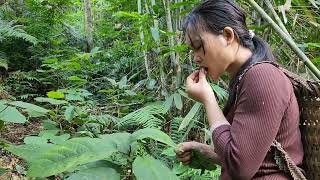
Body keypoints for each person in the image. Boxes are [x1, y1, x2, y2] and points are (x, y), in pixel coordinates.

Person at [174, 0, 304, 179]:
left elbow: (240, 168)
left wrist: (208, 100)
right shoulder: (247, 77)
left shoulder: (263, 76)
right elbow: (256, 159)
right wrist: (209, 153)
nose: (196, 58)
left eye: (198, 46)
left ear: (228, 35)